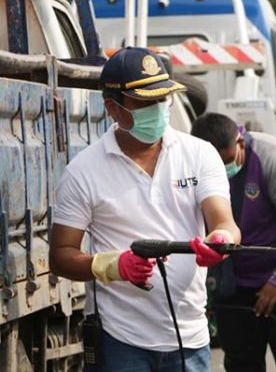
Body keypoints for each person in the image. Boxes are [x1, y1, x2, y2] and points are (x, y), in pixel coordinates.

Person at [49, 47, 241, 371]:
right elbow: (61, 255)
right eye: (144, 102)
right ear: (112, 108)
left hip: (190, 338)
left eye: (161, 99)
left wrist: (221, 241)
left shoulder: (200, 154)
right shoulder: (83, 172)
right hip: (121, 342)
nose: (157, 109)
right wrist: (113, 266)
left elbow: (225, 223)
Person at [191, 113, 276, 372]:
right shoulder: (191, 164)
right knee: (241, 364)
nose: (223, 171)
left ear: (240, 142)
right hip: (233, 286)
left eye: (227, 162)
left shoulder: (271, 156)